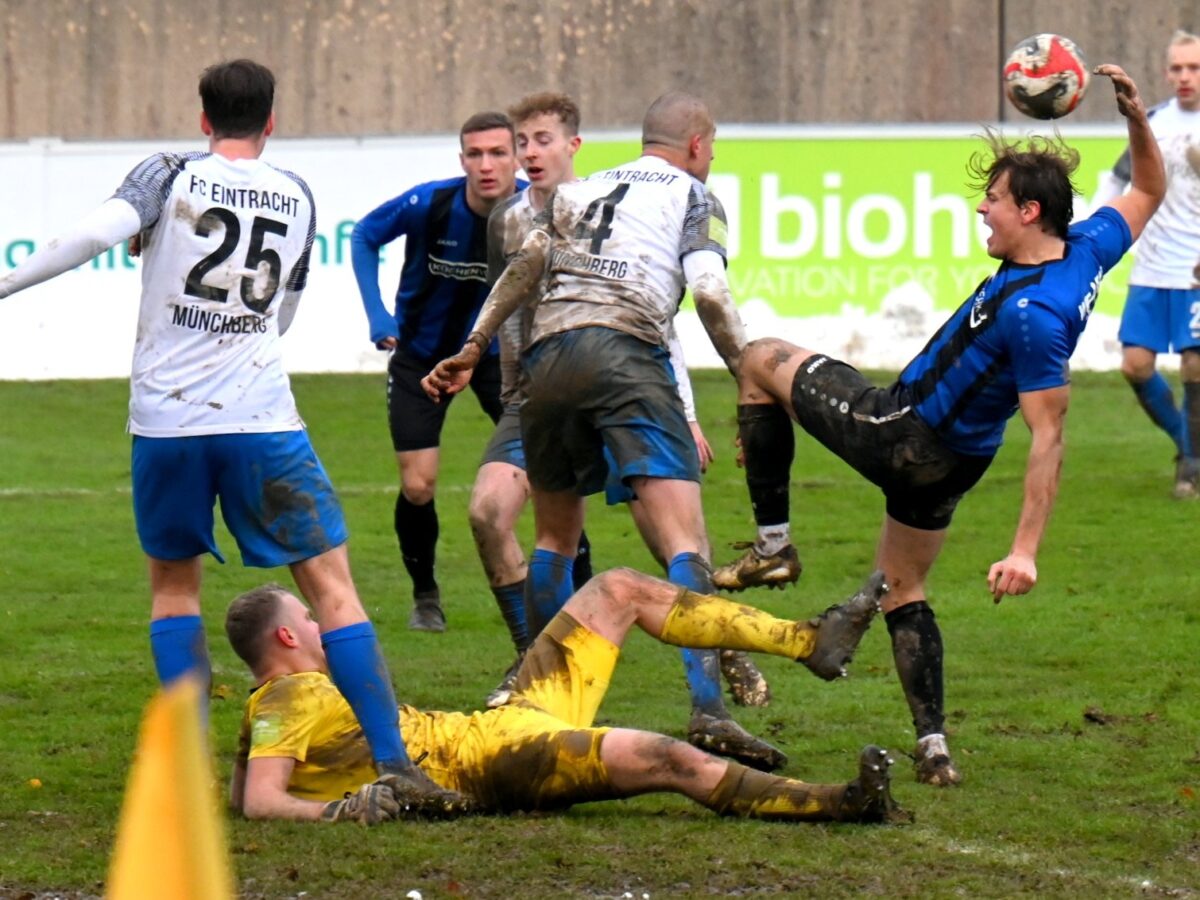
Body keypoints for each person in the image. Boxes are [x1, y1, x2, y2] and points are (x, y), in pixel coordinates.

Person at [0, 59, 463, 811]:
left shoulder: (168, 174)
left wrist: (6, 284)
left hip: (167, 422)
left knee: (174, 591)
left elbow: (92, 235)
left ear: (204, 117)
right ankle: (396, 766)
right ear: (271, 121)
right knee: (333, 591)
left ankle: (188, 777)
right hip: (261, 418)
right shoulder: (297, 194)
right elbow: (282, 314)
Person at [709, 65, 1165, 786]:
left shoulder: (1034, 314)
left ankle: (773, 547)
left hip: (904, 431)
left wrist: (1025, 550)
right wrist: (1137, 119)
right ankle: (934, 746)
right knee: (903, 587)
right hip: (958, 460)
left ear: (1030, 214)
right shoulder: (1088, 249)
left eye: (993, 201)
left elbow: (1050, 436)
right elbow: (1147, 191)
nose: (983, 211)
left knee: (760, 357)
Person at [423, 92, 785, 771]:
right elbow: (708, 291)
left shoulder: (580, 191)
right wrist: (748, 371)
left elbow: (526, 267)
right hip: (625, 352)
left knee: (554, 539)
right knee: (683, 541)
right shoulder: (695, 197)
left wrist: (474, 346)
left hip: (547, 361)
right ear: (699, 148)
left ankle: (544, 712)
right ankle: (709, 711)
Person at [225, 568, 896, 824]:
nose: (325, 623)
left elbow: (241, 792)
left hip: (503, 723)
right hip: (489, 762)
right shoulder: (292, 694)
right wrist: (343, 814)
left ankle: (811, 641)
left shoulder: (281, 702)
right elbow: (260, 802)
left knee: (617, 590)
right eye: (311, 618)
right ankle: (839, 803)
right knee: (665, 756)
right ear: (289, 634)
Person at [350, 111, 521, 632]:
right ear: (462, 158)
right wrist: (379, 315)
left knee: (551, 473)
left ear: (516, 157)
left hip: (495, 359)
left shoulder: (533, 212)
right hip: (421, 358)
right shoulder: (430, 203)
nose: (486, 165)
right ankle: (426, 596)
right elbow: (364, 235)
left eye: (498, 153)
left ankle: (575, 586)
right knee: (419, 486)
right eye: (475, 154)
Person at [1092, 32, 1200, 498]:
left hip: (1196, 269)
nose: (1184, 77)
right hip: (1153, 267)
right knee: (1135, 367)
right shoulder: (1151, 120)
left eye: (1193, 68)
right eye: (1177, 68)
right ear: (1165, 72)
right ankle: (1187, 444)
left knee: (1195, 366)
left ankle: (1190, 467)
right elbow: (1117, 178)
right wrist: (1092, 233)